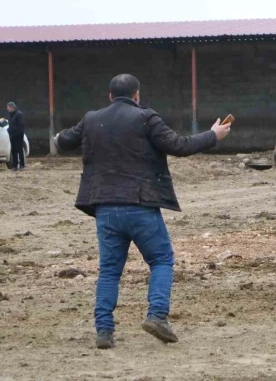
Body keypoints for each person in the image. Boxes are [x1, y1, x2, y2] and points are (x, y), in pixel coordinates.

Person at [53, 74, 231, 349]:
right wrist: (213, 135)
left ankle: (104, 330)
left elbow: (64, 141)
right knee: (161, 260)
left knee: (109, 271)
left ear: (110, 96)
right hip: (140, 205)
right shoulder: (146, 118)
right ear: (136, 95)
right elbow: (180, 146)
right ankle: (157, 316)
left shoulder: (91, 119)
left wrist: (58, 136)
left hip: (105, 209)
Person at [6, 102, 25, 171]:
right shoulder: (11, 115)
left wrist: (15, 132)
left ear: (12, 107)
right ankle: (15, 166)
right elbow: (11, 125)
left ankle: (22, 165)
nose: (7, 109)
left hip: (18, 135)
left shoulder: (19, 114)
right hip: (12, 135)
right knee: (13, 151)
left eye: (8, 107)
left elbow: (21, 126)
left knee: (19, 150)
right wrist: (9, 130)